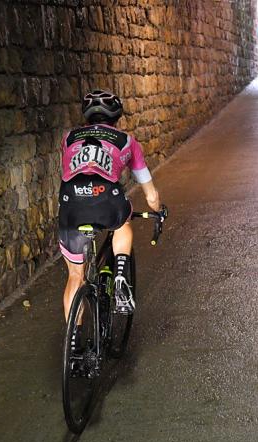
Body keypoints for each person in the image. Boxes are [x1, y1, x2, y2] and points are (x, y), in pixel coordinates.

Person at [59, 89, 163, 319]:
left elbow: (68, 171)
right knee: (122, 222)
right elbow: (151, 195)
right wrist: (158, 211)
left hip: (71, 202)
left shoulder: (68, 139)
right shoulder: (127, 141)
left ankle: (73, 346)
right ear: (116, 117)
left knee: (76, 275)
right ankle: (120, 279)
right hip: (105, 197)